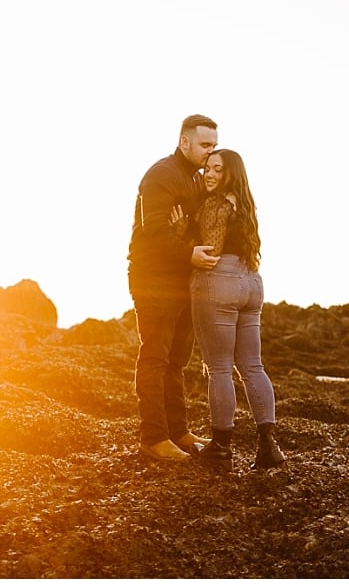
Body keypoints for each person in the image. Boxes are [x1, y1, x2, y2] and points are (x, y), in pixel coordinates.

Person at [127, 114, 221, 462]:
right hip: (153, 281)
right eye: (205, 145)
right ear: (185, 142)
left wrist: (186, 235)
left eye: (214, 144)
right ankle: (153, 438)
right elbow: (154, 230)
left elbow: (191, 227)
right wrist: (187, 249)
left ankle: (178, 431)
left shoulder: (196, 180)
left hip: (182, 281)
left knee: (177, 361)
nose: (211, 152)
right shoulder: (161, 175)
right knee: (155, 358)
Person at [188, 148, 286, 472]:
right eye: (207, 168)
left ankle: (221, 449)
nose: (210, 174)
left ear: (230, 173)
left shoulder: (216, 204)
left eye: (217, 169)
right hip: (251, 283)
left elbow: (211, 251)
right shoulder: (243, 204)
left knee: (219, 369)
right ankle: (269, 447)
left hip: (220, 283)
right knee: (253, 367)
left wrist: (179, 231)